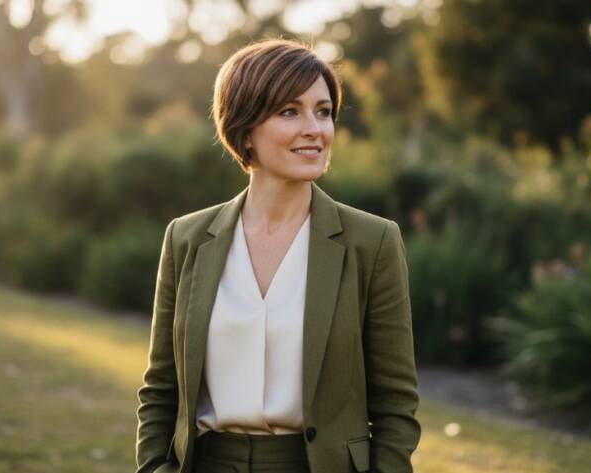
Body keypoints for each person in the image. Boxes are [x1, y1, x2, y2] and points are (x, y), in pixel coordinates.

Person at [135, 38, 421, 473]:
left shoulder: (372, 241)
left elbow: (396, 403)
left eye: (323, 111)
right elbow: (160, 389)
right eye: (290, 111)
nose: (314, 128)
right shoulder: (187, 238)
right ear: (244, 127)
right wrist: (156, 467)